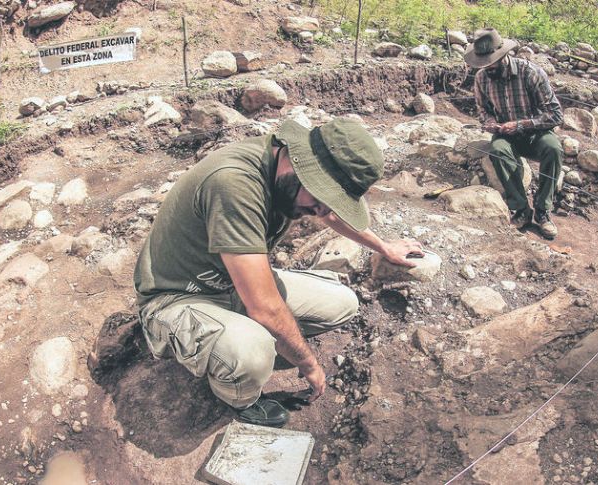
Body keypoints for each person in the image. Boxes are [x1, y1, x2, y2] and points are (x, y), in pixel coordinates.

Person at [133, 117, 424, 427]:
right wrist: (307, 362)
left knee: (343, 303)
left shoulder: (283, 168)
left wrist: (382, 246)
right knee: (253, 352)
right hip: (178, 297)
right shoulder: (234, 184)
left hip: (232, 282)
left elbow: (329, 214)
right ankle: (239, 396)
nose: (322, 212)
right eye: (320, 200)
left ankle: (241, 342)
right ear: (298, 168)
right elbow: (265, 308)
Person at [465, 27, 564, 239]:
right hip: (505, 135)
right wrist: (490, 123)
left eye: (490, 62)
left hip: (535, 133)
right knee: (498, 150)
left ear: (503, 56)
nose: (486, 67)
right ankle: (521, 209)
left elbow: (555, 115)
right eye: (483, 63)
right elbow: (483, 111)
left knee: (553, 149)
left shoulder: (531, 73)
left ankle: (543, 211)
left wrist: (520, 124)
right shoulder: (481, 79)